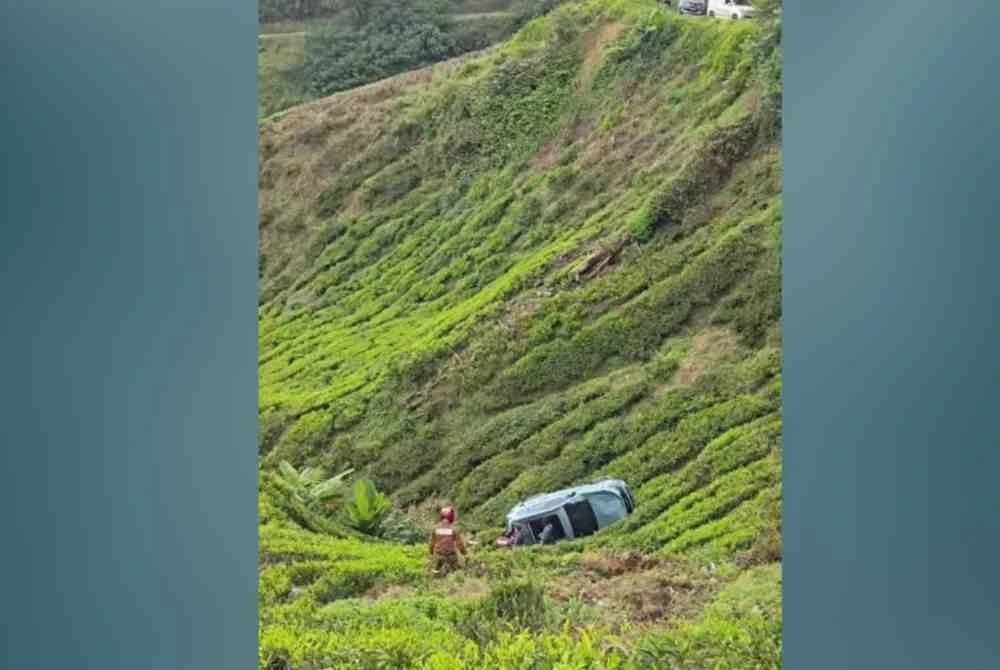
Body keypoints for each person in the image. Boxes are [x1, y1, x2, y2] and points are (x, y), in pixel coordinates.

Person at [429, 506, 467, 576]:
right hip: (451, 556)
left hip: (438, 555)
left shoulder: (435, 528)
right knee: (457, 572)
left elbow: (432, 543)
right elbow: (460, 544)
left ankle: (433, 579)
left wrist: (431, 552)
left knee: (434, 572)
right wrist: (464, 552)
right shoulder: (454, 529)